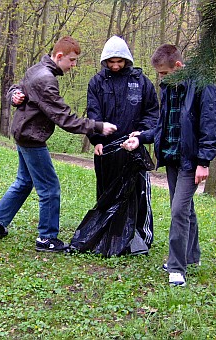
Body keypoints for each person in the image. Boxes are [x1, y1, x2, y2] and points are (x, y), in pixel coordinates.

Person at [0, 36, 117, 252]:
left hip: (22, 133)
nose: (74, 65)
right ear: (59, 56)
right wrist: (98, 127)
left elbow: (18, 88)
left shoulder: (37, 69)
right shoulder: (46, 79)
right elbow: (65, 119)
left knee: (24, 181)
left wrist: (14, 94)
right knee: (50, 188)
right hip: (31, 138)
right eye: (71, 60)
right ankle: (47, 238)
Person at [121, 44, 216, 286]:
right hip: (172, 157)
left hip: (191, 161)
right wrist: (142, 137)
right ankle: (192, 255)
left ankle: (177, 267)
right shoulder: (167, 89)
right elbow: (164, 126)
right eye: (159, 74)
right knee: (185, 208)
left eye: (164, 73)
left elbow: (210, 125)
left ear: (178, 66)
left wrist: (204, 161)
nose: (161, 78)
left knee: (178, 211)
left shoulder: (203, 86)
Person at [85, 35, 158, 253]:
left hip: (134, 146)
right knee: (107, 191)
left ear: (127, 59)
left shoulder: (142, 82)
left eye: (120, 61)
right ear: (105, 61)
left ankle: (140, 235)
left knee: (138, 192)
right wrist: (96, 140)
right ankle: (109, 232)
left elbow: (152, 112)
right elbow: (93, 113)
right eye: (111, 62)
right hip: (106, 150)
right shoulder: (97, 82)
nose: (115, 66)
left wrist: (141, 132)